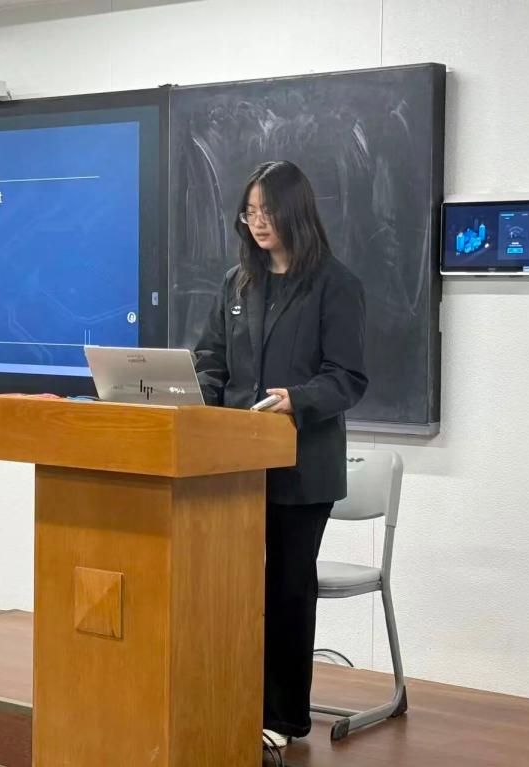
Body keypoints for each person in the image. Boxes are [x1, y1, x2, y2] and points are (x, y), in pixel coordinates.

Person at [192, 161, 368, 761]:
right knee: (234, 586)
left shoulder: (335, 284)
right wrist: (195, 400)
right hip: (234, 466)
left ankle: (284, 716)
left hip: (302, 468)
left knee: (288, 587)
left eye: (267, 210)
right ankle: (232, 698)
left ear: (295, 210)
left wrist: (298, 399)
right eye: (249, 212)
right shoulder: (238, 284)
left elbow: (347, 378)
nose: (258, 222)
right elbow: (212, 361)